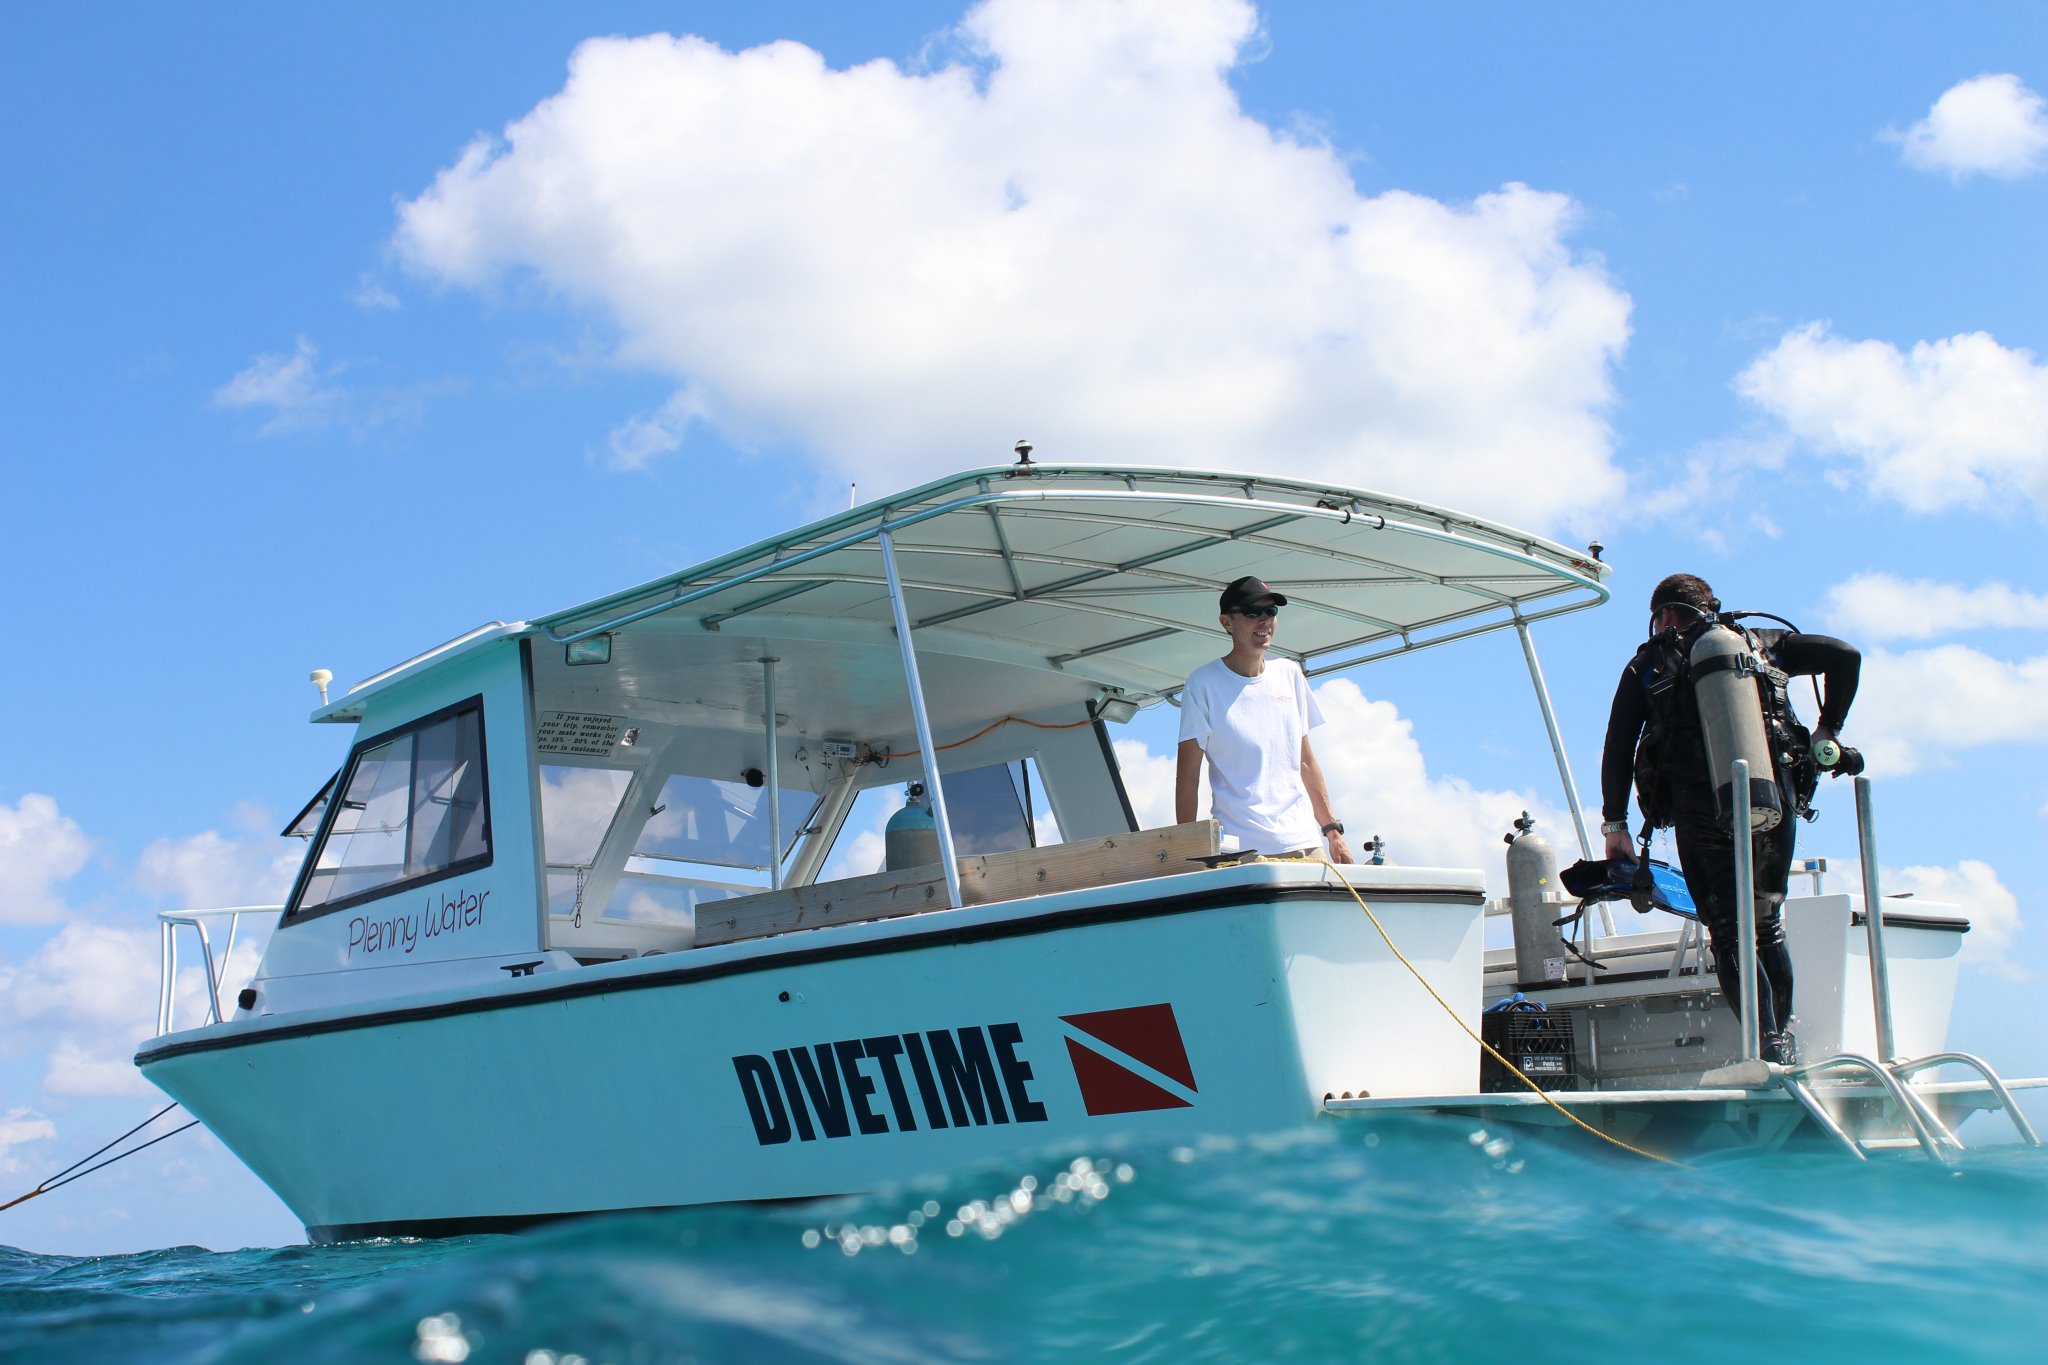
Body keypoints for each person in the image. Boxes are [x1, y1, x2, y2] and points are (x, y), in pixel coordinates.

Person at [1600, 572, 1860, 1064]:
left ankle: (1765, 1049)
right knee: (1767, 928)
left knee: (1729, 932)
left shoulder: (1648, 664)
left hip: (1704, 812)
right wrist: (1830, 730)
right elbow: (1846, 656)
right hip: (1772, 801)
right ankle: (1786, 1043)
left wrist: (1616, 827)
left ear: (1665, 615)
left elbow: (1617, 747)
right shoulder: (1762, 645)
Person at [1175, 576, 1353, 864]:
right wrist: (1185, 849)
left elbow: (1306, 761)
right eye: (1252, 613)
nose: (1264, 620)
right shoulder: (1203, 684)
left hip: (1305, 844)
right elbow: (1188, 775)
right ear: (1227, 622)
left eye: (1270, 612)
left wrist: (1332, 830)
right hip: (1240, 851)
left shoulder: (1290, 673)